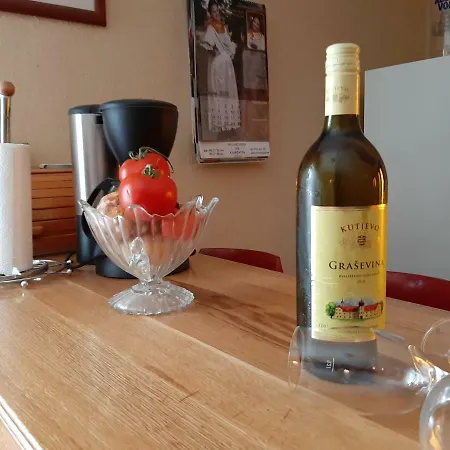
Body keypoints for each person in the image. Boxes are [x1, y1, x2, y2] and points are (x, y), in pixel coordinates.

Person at [200, 1, 241, 135]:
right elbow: (206, 44)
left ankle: (229, 124)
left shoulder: (223, 27)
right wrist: (214, 52)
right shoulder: (210, 28)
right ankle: (221, 125)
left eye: (218, 11)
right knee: (220, 93)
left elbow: (229, 45)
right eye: (214, 12)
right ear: (210, 13)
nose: (216, 14)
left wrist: (228, 52)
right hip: (218, 65)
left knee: (229, 93)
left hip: (227, 65)